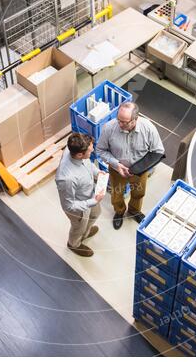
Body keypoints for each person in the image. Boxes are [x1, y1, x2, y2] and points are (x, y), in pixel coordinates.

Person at [96, 101, 164, 230]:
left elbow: (158, 151)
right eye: (119, 120)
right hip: (117, 171)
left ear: (135, 119)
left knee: (139, 193)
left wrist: (139, 169)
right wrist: (116, 165)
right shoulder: (109, 128)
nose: (120, 125)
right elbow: (100, 150)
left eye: (125, 122)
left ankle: (134, 211)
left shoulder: (148, 128)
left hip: (139, 172)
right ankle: (120, 211)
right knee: (117, 194)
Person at [55, 132, 104, 257]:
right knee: (78, 227)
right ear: (79, 154)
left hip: (90, 196)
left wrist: (97, 173)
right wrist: (93, 201)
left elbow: (88, 164)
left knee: (96, 213)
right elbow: (69, 206)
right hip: (79, 208)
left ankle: (85, 233)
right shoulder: (67, 178)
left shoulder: (74, 150)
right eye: (90, 152)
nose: (92, 152)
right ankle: (74, 244)